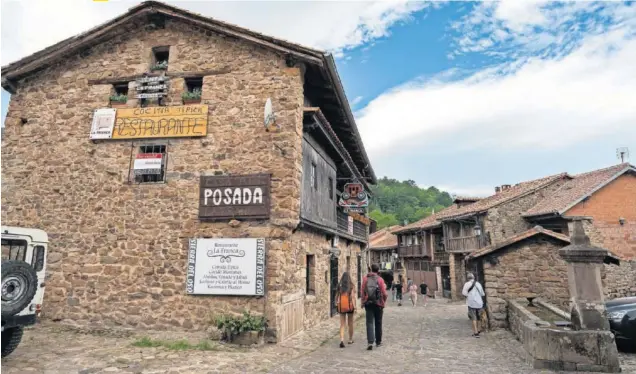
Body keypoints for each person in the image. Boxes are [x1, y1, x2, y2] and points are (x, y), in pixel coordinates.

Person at [361, 264, 388, 351]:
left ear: (371, 269)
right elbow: (384, 293)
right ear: (378, 270)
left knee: (369, 322)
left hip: (368, 303)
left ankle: (370, 342)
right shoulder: (380, 280)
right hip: (378, 304)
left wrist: (362, 302)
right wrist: (383, 301)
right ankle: (378, 341)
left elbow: (362, 292)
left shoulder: (365, 279)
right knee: (378, 322)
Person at [462, 273, 486, 338]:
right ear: (473, 278)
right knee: (479, 317)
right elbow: (482, 294)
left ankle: (475, 333)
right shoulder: (478, 284)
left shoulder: (466, 284)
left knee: (473, 318)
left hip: (471, 303)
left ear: (468, 278)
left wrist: (469, 295)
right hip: (479, 303)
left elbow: (464, 293)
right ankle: (478, 330)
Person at [336, 272, 356, 348]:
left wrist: (336, 303)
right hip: (350, 307)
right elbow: (353, 297)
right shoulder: (351, 286)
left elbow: (337, 296)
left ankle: (341, 340)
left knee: (342, 324)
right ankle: (350, 339)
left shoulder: (339, 286)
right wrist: (355, 307)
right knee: (350, 323)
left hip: (341, 307)